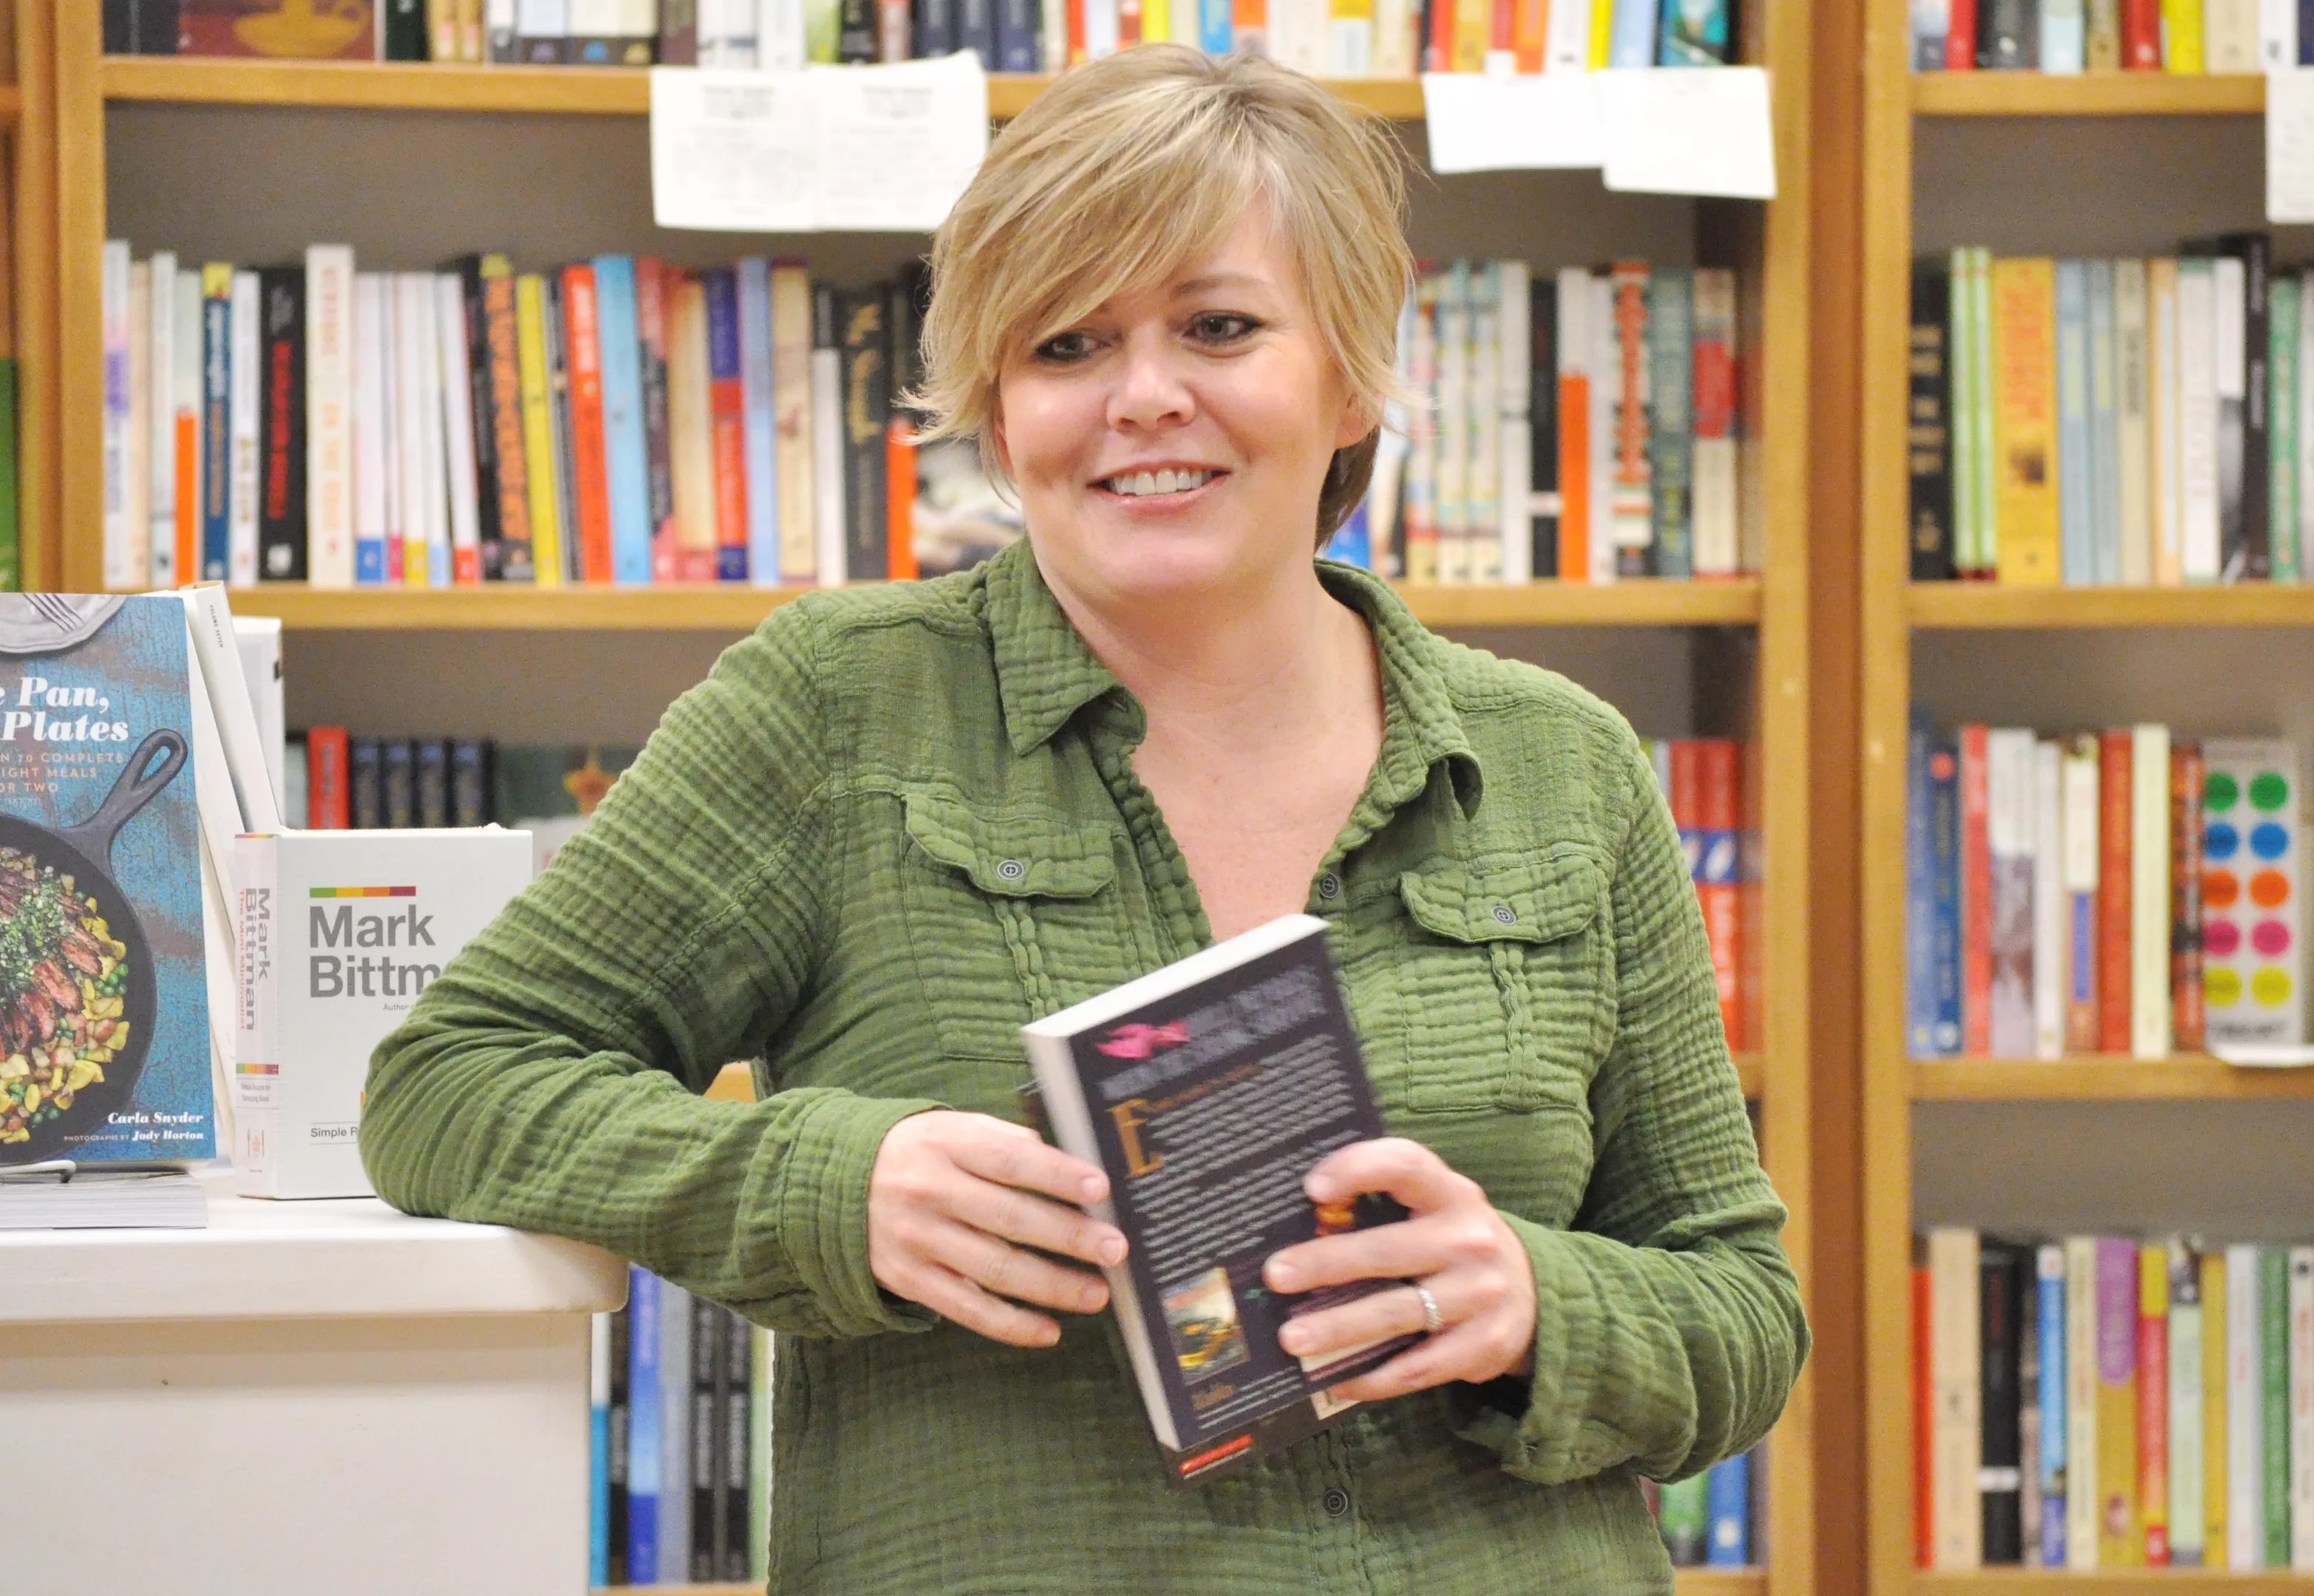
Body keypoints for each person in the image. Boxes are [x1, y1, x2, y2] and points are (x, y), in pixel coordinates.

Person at [361, 43, 1806, 1594]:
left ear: (1350, 371)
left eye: (1219, 327)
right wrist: (831, 1183)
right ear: (998, 407)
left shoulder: (1560, 763)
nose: (1144, 396)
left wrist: (1529, 1299)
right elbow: (448, 1085)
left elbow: (1740, 1312)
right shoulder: (841, 710)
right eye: (1067, 344)